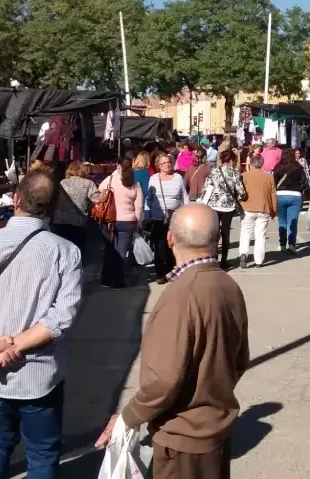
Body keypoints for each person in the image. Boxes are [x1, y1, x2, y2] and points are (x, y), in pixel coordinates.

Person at [95, 204, 249, 479]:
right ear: (216, 239)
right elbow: (239, 359)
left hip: (183, 437)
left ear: (170, 238)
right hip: (215, 428)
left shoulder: (180, 296)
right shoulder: (228, 285)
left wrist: (128, 417)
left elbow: (163, 380)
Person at [0, 171, 82, 479]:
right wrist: (12, 346)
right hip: (40, 374)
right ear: (52, 207)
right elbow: (63, 315)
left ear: (16, 200)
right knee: (42, 453)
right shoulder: (66, 252)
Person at [99, 157, 144, 288]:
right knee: (121, 252)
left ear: (118, 166)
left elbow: (100, 193)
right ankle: (118, 282)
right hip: (127, 221)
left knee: (109, 250)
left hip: (108, 220)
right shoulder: (134, 183)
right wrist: (137, 220)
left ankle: (105, 280)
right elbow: (139, 206)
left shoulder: (110, 180)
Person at [198, 150, 246, 270]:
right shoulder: (235, 173)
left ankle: (213, 258)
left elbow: (205, 189)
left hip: (213, 206)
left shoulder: (213, 172)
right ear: (231, 161)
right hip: (228, 207)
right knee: (225, 234)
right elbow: (241, 193)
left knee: (213, 233)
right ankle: (224, 261)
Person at [147, 153, 190, 284]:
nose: (167, 165)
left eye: (169, 162)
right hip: (158, 217)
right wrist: (147, 214)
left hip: (174, 217)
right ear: (158, 165)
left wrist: (187, 212)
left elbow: (184, 196)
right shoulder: (154, 179)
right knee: (159, 246)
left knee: (172, 245)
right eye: (164, 163)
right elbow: (150, 198)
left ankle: (171, 271)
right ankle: (160, 274)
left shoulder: (177, 178)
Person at [52, 161, 100, 254]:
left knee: (62, 250)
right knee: (77, 250)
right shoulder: (88, 183)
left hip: (60, 220)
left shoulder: (62, 182)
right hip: (79, 221)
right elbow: (97, 200)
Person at [238, 153, 277, 268]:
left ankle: (243, 253)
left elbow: (239, 192)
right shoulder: (269, 177)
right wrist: (274, 210)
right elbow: (273, 195)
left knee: (245, 232)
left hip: (247, 208)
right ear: (262, 164)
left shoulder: (244, 176)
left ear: (251, 164)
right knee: (260, 235)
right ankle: (259, 260)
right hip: (263, 209)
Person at [272, 148, 306, 254]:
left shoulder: (278, 167)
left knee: (282, 221)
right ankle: (292, 244)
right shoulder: (299, 167)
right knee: (293, 221)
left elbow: (273, 182)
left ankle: (282, 244)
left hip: (280, 195)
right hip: (295, 196)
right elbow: (304, 183)